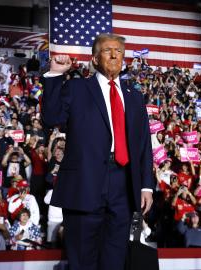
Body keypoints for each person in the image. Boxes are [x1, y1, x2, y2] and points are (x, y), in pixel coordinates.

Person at [41, 33, 154, 270]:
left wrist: (145, 185)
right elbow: (51, 118)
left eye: (119, 51)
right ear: (94, 58)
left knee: (114, 261)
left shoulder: (134, 96)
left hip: (122, 185)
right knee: (82, 261)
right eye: (107, 50)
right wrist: (54, 75)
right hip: (85, 184)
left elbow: (143, 144)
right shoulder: (76, 87)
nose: (114, 55)